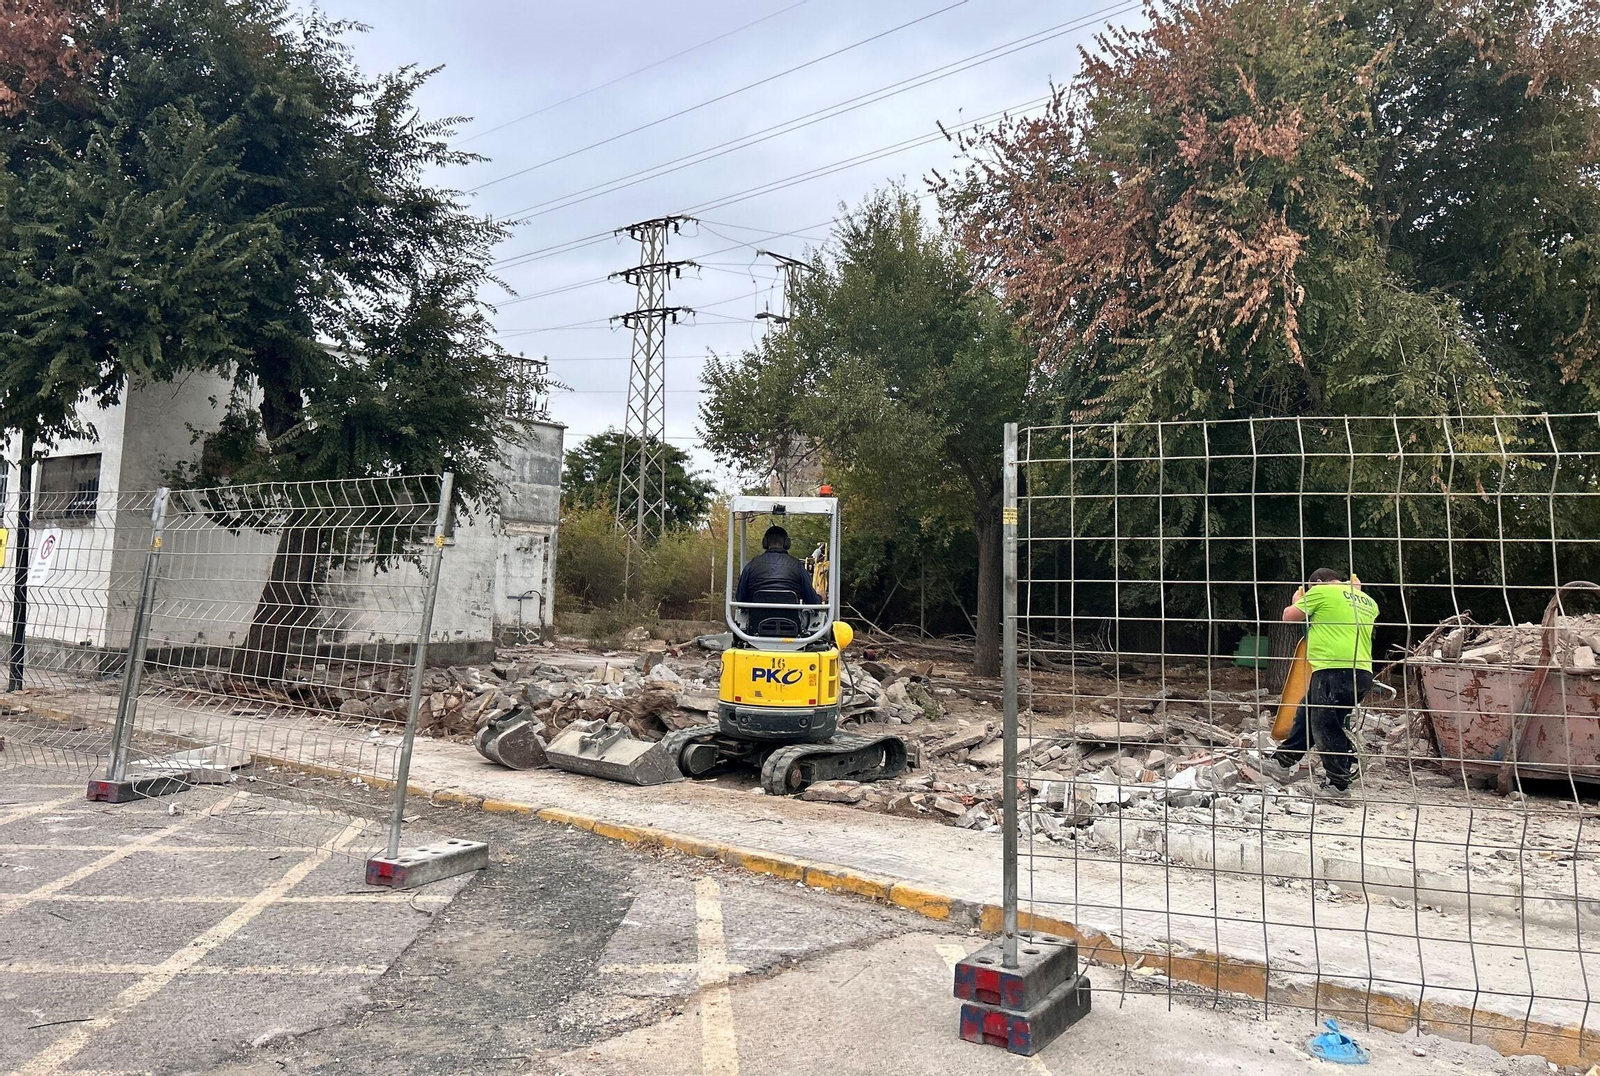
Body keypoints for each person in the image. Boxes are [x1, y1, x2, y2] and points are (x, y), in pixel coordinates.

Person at [1267, 568, 1379, 795]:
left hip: (1333, 668)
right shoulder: (1368, 601)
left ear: (1317, 582)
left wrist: (1299, 600)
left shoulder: (1323, 591)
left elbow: (1289, 616)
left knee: (1326, 725)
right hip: (1361, 671)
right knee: (1308, 714)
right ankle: (1283, 761)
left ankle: (1338, 784)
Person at [735, 525, 823, 634]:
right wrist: (819, 597)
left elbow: (740, 599)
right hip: (791, 629)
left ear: (765, 542)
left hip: (756, 629)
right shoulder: (797, 566)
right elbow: (812, 601)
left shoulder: (751, 565)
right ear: (787, 543)